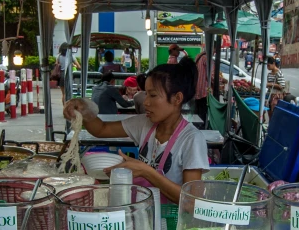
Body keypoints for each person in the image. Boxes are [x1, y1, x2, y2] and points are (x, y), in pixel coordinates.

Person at [64, 57, 210, 203]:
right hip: (143, 211)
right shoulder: (144, 124)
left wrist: (146, 171)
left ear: (177, 98)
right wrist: (84, 111)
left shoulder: (192, 139)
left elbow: (192, 201)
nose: (146, 102)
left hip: (171, 219)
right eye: (146, 94)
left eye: (153, 95)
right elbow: (102, 129)